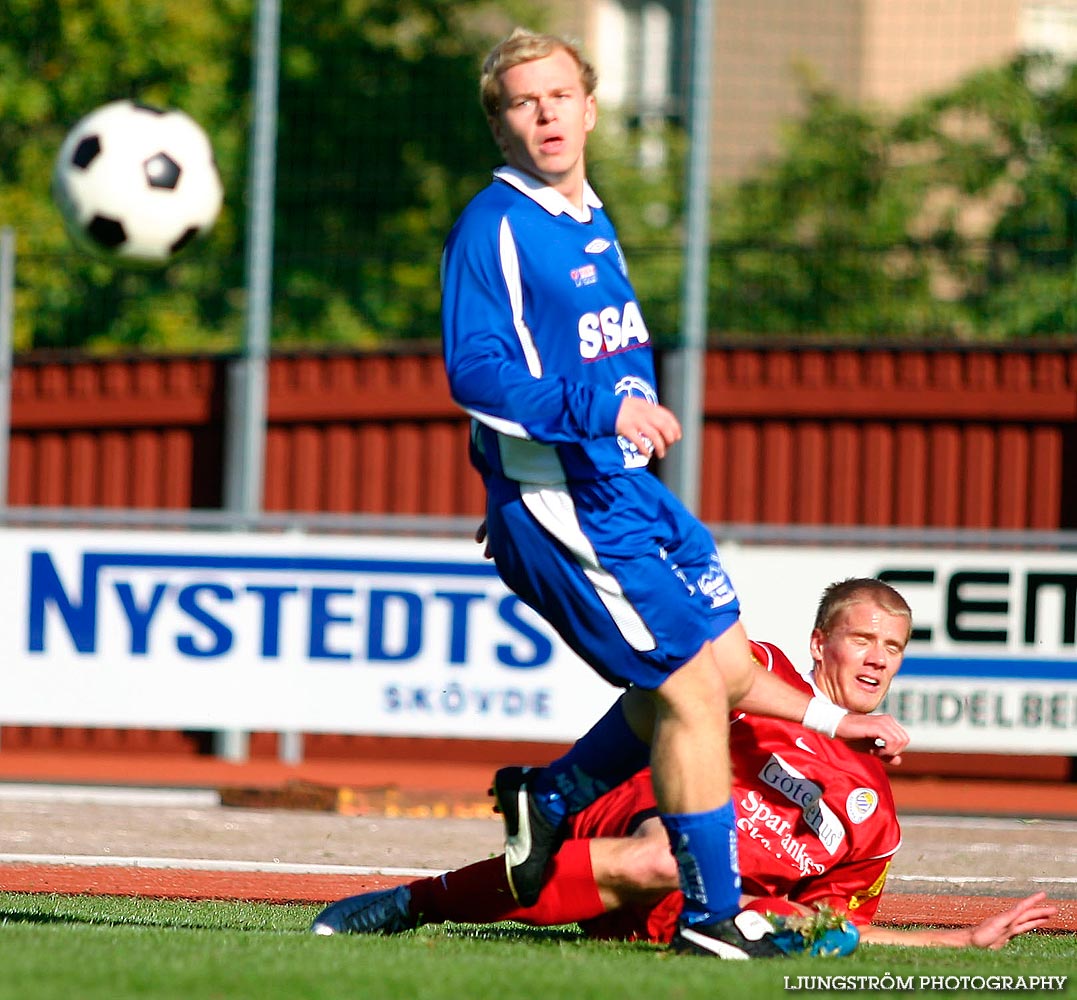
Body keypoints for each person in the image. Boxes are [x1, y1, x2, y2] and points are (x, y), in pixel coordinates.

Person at [435, 27, 907, 959]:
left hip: (629, 493)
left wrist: (834, 720)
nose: (545, 113)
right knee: (691, 692)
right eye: (524, 102)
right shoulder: (494, 225)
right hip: (561, 498)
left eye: (559, 95)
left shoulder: (586, 216)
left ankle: (553, 797)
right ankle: (710, 911)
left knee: (724, 666)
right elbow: (473, 375)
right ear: (501, 124)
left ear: (591, 108)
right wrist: (602, 403)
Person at [310, 580, 1057, 950]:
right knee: (664, 842)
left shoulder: (877, 817)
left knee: (753, 913)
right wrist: (833, 723)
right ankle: (418, 900)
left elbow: (835, 924)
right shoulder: (763, 672)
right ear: (819, 644)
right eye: (860, 640)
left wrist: (958, 942)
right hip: (650, 825)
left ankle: (682, 913)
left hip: (699, 916)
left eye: (890, 648)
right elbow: (678, 677)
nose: (874, 659)